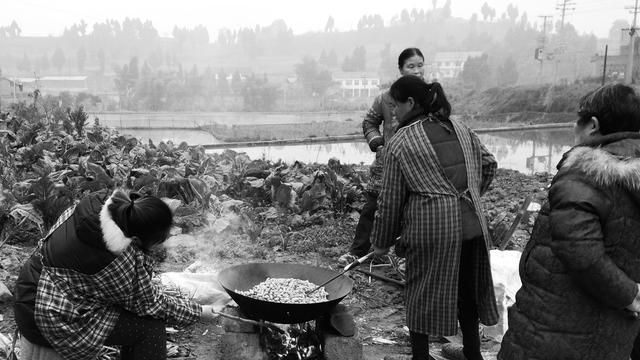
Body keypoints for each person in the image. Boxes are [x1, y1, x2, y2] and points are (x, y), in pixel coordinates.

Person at [498, 83, 640, 360]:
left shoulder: (585, 175)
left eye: (578, 121)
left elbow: (582, 253)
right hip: (612, 330)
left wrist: (631, 295)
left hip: (555, 325)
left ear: (593, 126)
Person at [371, 75, 498, 360]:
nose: (392, 112)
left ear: (411, 103)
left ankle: (420, 356)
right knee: (466, 291)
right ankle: (473, 354)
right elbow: (489, 165)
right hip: (472, 225)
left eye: (395, 105)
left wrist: (380, 243)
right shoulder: (460, 128)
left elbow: (390, 199)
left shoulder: (401, 142)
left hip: (433, 230)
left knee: (421, 295)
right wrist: (469, 194)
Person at [14, 189, 218, 360]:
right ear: (136, 239)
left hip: (35, 287)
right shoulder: (115, 260)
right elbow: (151, 305)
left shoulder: (93, 210)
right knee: (150, 329)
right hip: (47, 313)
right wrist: (201, 312)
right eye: (157, 242)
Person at [339, 47, 426, 264]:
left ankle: (405, 257)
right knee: (373, 207)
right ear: (401, 69)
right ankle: (358, 252)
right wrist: (377, 142)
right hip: (387, 162)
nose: (416, 71)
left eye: (420, 65)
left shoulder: (429, 97)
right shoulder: (385, 98)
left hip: (419, 164)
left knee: (413, 209)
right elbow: (370, 122)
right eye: (411, 66)